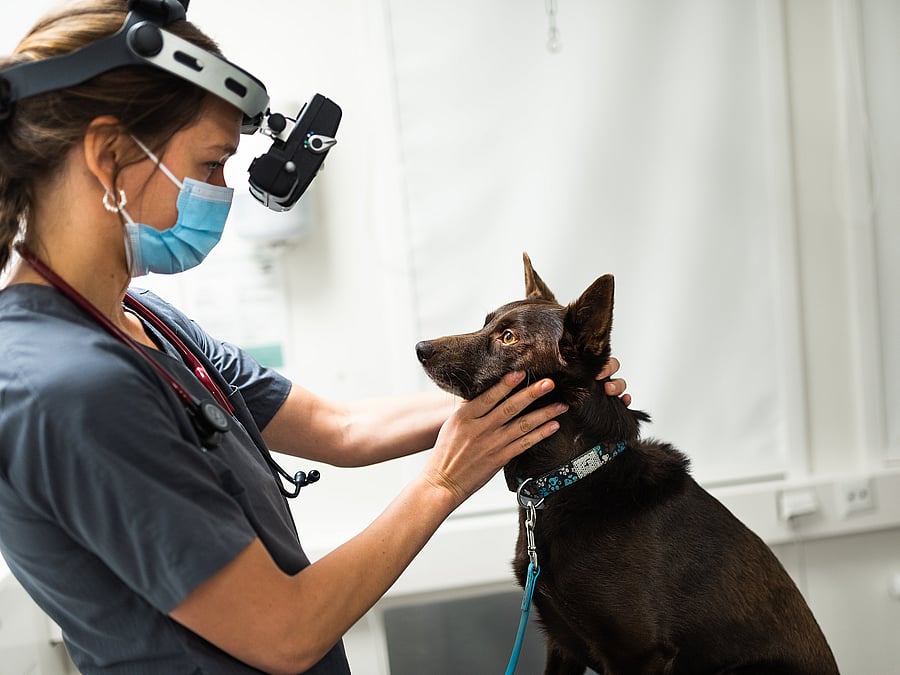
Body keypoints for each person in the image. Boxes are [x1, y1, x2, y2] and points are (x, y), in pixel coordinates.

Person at [0, 2, 630, 673]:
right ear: (107, 156)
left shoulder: (148, 323)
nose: (223, 192)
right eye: (212, 164)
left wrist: (534, 394)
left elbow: (339, 428)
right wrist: (445, 479)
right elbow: (284, 631)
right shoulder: (65, 386)